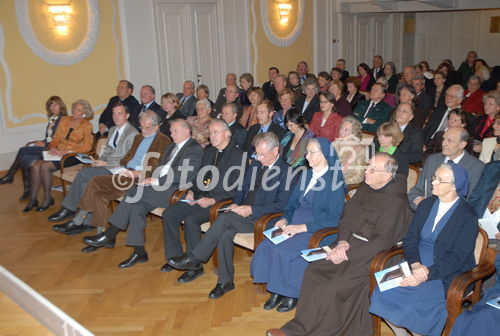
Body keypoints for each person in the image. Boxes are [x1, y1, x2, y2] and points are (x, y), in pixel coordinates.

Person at [266, 153, 413, 336]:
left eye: (373, 169)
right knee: (313, 272)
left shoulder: (396, 202)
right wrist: (342, 242)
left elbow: (382, 241)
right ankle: (300, 328)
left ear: (388, 175)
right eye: (368, 166)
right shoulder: (365, 189)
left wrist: (346, 254)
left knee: (334, 287)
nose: (366, 171)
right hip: (347, 246)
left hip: (372, 258)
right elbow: (346, 219)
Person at [167, 132, 292, 299]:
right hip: (244, 213)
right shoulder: (256, 164)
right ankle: (225, 282)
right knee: (225, 234)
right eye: (257, 153)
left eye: (263, 154)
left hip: (265, 218)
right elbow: (242, 188)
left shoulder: (286, 172)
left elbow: (281, 205)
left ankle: (195, 257)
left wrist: (251, 210)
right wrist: (236, 203)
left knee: (224, 219)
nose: (259, 158)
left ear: (276, 151)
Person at [370, 162, 478, 336]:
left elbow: (458, 258)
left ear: (454, 187)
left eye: (439, 180)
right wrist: (415, 265)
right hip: (416, 261)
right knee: (382, 291)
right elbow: (410, 239)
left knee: (418, 306)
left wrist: (425, 274)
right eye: (434, 177)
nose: (432, 182)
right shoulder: (426, 205)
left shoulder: (467, 215)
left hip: (446, 272)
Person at [82, 119, 203, 266]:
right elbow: (159, 168)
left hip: (175, 191)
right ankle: (139, 252)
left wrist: (156, 181)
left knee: (133, 191)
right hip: (158, 188)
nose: (171, 134)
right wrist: (149, 178)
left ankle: (110, 234)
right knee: (136, 206)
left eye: (175, 131)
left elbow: (183, 175)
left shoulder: (194, 148)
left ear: (187, 131)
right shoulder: (171, 147)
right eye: (171, 131)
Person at [251, 138, 345, 313]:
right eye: (306, 151)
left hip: (318, 229)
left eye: (311, 152)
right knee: (267, 245)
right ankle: (276, 289)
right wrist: (285, 218)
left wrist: (303, 228)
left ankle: (291, 293)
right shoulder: (306, 174)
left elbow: (334, 219)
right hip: (294, 222)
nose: (306, 156)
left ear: (324, 155)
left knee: (285, 251)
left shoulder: (335, 182)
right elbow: (292, 203)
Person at [68, 111, 171, 244]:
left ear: (156, 127)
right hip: (125, 173)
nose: (143, 130)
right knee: (100, 195)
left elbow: (156, 167)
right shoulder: (138, 137)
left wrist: (136, 173)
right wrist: (119, 167)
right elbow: (128, 157)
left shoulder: (163, 141)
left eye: (147, 128)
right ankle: (103, 234)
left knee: (95, 181)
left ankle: (79, 218)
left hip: (139, 178)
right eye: (141, 127)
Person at [162, 119, 245, 282]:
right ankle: (175, 258)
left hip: (220, 201)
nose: (211, 136)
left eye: (215, 132)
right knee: (169, 213)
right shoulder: (209, 151)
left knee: (191, 219)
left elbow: (236, 189)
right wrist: (192, 192)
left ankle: (194, 266)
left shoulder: (238, 156)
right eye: (210, 132)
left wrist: (212, 199)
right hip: (200, 196)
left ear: (227, 133)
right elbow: (198, 177)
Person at [49, 103, 139, 234]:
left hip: (118, 170)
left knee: (85, 175)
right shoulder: (113, 130)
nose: (116, 116)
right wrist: (100, 160)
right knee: (86, 179)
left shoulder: (132, 133)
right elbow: (109, 150)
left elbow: (126, 158)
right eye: (114, 113)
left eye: (120, 113)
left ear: (127, 115)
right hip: (107, 165)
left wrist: (105, 164)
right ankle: (85, 221)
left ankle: (71, 211)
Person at [23, 99, 94, 213]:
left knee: (45, 166)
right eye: (75, 108)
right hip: (57, 152)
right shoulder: (65, 120)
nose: (75, 111)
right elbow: (55, 138)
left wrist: (66, 151)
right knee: (35, 165)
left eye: (79, 110)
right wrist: (52, 148)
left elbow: (87, 147)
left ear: (84, 112)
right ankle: (33, 198)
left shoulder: (87, 125)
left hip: (72, 156)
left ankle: (47, 198)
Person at [0, 96, 66, 202]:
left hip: (54, 149)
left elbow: (59, 138)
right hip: (47, 145)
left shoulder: (63, 119)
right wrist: (43, 141)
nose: (53, 107)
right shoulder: (53, 118)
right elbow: (51, 136)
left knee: (23, 151)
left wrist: (45, 143)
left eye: (55, 104)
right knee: (25, 157)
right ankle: (26, 189)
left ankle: (12, 177)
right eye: (50, 105)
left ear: (61, 105)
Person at [409, 127, 484, 211]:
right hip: (423, 212)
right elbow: (416, 190)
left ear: (462, 144)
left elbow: (471, 202)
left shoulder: (476, 167)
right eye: (443, 139)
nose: (444, 143)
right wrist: (418, 200)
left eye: (449, 140)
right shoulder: (432, 160)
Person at [333, 116, 367, 185]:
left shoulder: (361, 151)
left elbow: (359, 176)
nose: (341, 132)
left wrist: (341, 182)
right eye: (341, 128)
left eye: (346, 130)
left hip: (345, 185)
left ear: (354, 134)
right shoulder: (335, 144)